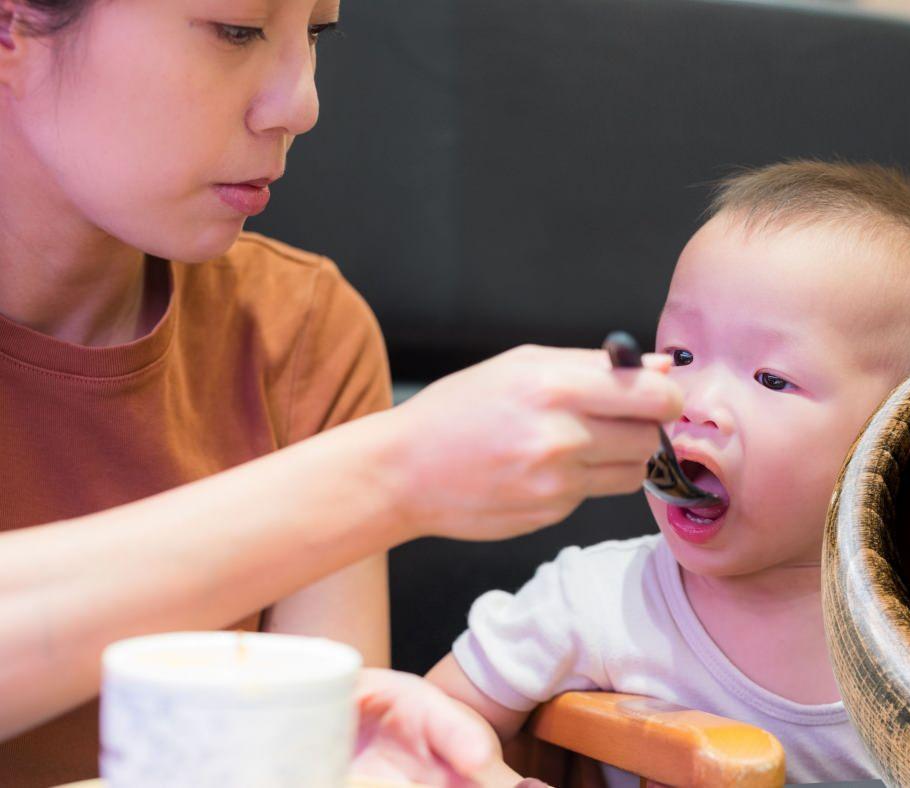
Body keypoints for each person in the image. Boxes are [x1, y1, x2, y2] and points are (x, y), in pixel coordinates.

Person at [0, 0, 680, 785]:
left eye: (317, 33)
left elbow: (313, 760)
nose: (302, 105)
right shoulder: (372, 458)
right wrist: (388, 473)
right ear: (14, 26)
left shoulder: (302, 334)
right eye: (238, 30)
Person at [427, 160, 910, 784]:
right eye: (680, 354)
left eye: (771, 378)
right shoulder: (598, 600)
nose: (696, 402)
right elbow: (429, 725)